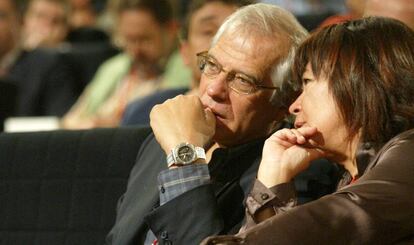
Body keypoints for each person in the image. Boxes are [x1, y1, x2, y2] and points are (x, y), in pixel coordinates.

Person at [106, 3, 338, 245]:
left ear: (284, 102)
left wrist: (185, 159)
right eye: (212, 66)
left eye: (243, 80)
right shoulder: (163, 139)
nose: (214, 89)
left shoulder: (292, 172)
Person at [202, 16, 414, 245]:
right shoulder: (352, 177)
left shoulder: (409, 153)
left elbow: (342, 219)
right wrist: (274, 180)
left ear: (358, 85)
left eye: (307, 82)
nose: (294, 106)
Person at [121, 0, 252, 126]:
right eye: (209, 31)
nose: (222, 42)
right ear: (184, 51)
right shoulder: (143, 112)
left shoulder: (258, 128)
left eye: (234, 32)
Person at [61, 0, 177, 129]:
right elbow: (70, 119)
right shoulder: (113, 67)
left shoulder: (184, 70)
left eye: (144, 39)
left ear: (170, 29)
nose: (136, 50)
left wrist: (114, 126)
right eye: (129, 40)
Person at [0, 0, 77, 116]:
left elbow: (57, 124)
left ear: (18, 21)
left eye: (1, 16)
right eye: (40, 16)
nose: (46, 27)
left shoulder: (50, 64)